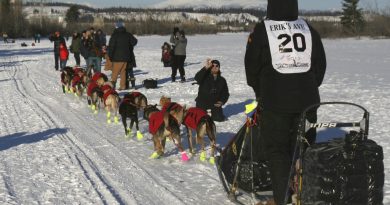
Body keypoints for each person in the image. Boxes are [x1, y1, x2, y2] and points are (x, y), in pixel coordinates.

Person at [244, 0, 327, 204]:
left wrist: (260, 92)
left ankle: (282, 199)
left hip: (275, 102)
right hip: (308, 102)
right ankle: (304, 194)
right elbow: (320, 66)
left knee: (277, 151)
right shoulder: (308, 29)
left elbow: (251, 68)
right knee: (303, 148)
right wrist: (307, 87)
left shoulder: (263, 30)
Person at [107, 20, 138, 90]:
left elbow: (111, 47)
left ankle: (112, 86)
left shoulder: (114, 35)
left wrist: (110, 56)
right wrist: (129, 45)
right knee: (123, 72)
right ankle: (123, 86)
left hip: (117, 58)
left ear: (116, 27)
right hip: (126, 57)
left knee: (115, 73)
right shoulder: (128, 34)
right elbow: (135, 41)